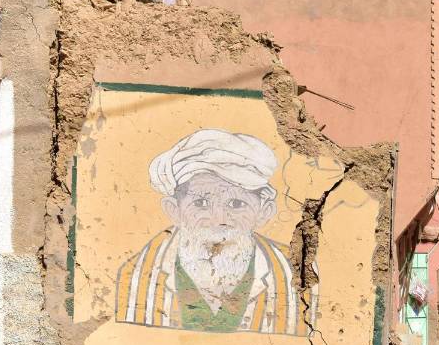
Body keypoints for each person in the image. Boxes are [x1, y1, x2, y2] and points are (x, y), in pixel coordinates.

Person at [115, 129, 312, 334]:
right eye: (201, 203)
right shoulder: (134, 275)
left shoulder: (297, 274)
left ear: (264, 212)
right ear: (174, 210)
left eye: (236, 204)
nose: (219, 220)